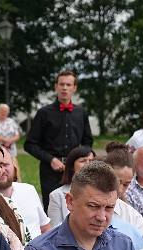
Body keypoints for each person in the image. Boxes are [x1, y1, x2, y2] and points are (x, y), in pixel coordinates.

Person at [25, 70, 94, 204]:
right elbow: (29, 144)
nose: (64, 88)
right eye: (61, 84)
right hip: (50, 171)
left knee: (77, 205)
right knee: (51, 207)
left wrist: (83, 159)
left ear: (74, 88)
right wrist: (51, 160)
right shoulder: (43, 113)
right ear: (56, 86)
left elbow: (87, 141)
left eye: (68, 85)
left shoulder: (81, 113)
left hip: (76, 170)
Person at [103, 144, 143, 247]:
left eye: (126, 184)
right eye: (116, 182)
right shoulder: (83, 207)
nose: (120, 189)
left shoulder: (133, 217)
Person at [46, 145, 95, 227]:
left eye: (91, 161)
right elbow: (55, 230)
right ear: (72, 166)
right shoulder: (57, 195)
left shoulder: (103, 193)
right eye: (83, 161)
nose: (88, 164)